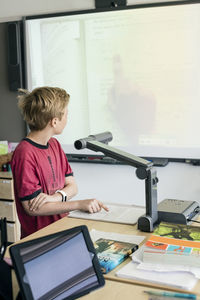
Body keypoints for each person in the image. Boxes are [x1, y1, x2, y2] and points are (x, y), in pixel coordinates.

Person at [11, 87, 108, 238]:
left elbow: (72, 186)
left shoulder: (54, 145)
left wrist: (54, 197)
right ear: (54, 121)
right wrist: (79, 204)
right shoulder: (25, 153)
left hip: (62, 230)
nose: (67, 119)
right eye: (66, 115)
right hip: (39, 239)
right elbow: (32, 207)